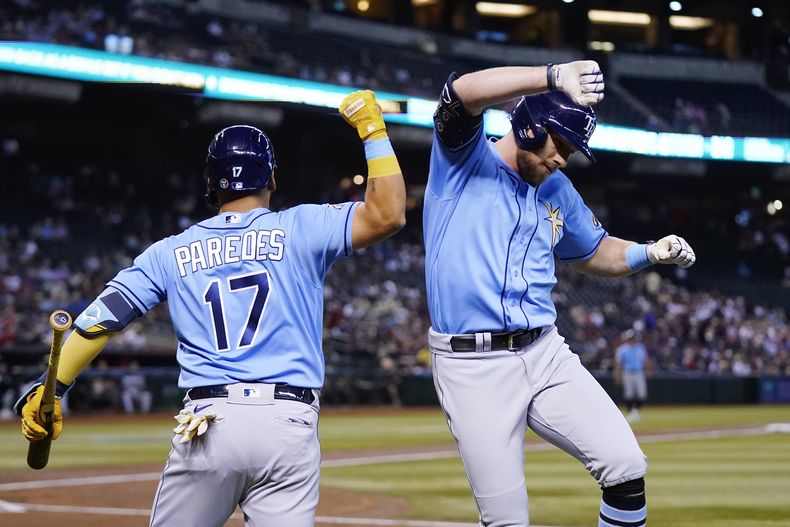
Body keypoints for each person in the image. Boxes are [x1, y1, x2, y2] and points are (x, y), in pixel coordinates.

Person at [15, 89, 405, 527]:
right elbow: (388, 214)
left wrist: (49, 387)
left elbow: (99, 320)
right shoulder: (303, 226)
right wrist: (373, 130)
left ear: (209, 184)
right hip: (288, 421)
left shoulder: (167, 252)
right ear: (272, 178)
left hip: (209, 421)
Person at [424, 61, 696, 527]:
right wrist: (552, 76)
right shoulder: (463, 161)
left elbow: (594, 251)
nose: (562, 159)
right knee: (508, 519)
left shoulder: (557, 189)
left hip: (546, 352)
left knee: (627, 469)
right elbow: (460, 92)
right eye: (561, 145)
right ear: (530, 127)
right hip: (474, 366)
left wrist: (650, 252)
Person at [614, 329, 650, 423]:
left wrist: (648, 370)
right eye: (630, 338)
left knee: (642, 393)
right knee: (629, 393)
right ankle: (631, 413)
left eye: (633, 338)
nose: (632, 340)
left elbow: (645, 360)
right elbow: (618, 363)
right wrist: (617, 375)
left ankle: (636, 411)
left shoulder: (640, 347)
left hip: (638, 372)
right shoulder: (622, 349)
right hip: (628, 373)